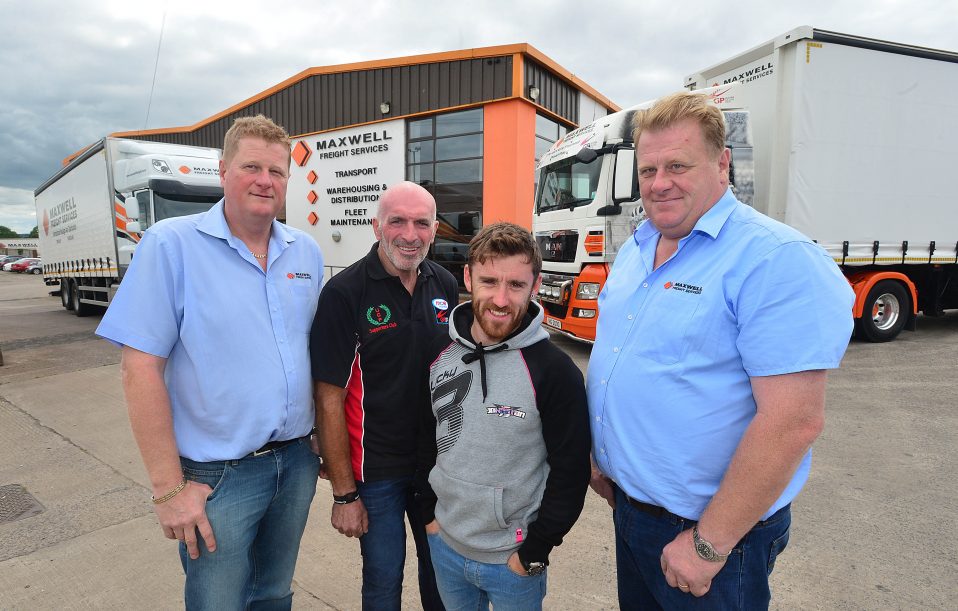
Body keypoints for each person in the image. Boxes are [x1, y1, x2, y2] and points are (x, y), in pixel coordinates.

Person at [587, 92, 855, 609]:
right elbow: (622, 360)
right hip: (632, 511)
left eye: (678, 165)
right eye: (648, 170)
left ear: (722, 162)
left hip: (711, 538)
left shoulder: (775, 260)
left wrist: (709, 544)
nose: (659, 183)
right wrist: (604, 456)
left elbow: (793, 422)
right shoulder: (637, 249)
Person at [95, 114, 324, 609]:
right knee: (218, 602)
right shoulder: (170, 246)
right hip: (217, 476)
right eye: (251, 167)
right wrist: (168, 489)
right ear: (223, 171)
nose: (265, 180)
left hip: (296, 461)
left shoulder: (305, 253)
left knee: (272, 595)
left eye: (277, 171)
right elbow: (140, 369)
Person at [417, 222, 592, 610]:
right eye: (489, 281)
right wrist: (428, 515)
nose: (500, 298)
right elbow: (422, 436)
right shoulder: (437, 351)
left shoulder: (555, 371)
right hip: (444, 543)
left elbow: (571, 470)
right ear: (467, 277)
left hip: (513, 562)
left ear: (535, 284)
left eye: (515, 285)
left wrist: (536, 549)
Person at [310, 181, 457, 610]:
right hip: (376, 474)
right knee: (382, 581)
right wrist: (344, 494)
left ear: (434, 231)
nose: (410, 234)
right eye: (398, 221)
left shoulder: (444, 284)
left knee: (443, 577)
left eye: (422, 223)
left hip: (436, 467)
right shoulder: (345, 294)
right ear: (377, 226)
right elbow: (328, 399)